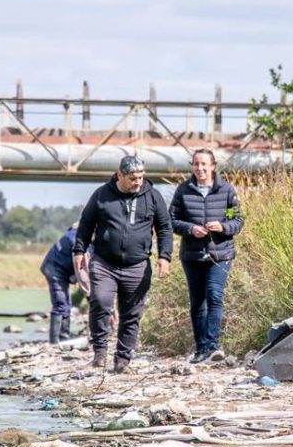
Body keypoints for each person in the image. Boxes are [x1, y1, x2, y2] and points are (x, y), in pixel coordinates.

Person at [73, 155, 173, 373]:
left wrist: (164, 257)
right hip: (104, 262)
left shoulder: (153, 196)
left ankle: (122, 361)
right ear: (120, 175)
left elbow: (164, 228)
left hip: (137, 265)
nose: (138, 182)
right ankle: (100, 352)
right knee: (100, 301)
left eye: (141, 177)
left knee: (131, 314)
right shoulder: (101, 195)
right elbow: (86, 224)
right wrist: (79, 250)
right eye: (132, 178)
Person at [169, 148, 244, 364]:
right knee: (197, 302)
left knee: (214, 295)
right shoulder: (183, 190)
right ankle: (200, 349)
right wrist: (191, 229)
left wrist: (222, 226)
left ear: (213, 166)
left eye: (204, 164)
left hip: (220, 254)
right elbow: (172, 220)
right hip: (192, 255)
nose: (199, 168)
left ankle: (212, 347)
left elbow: (238, 221)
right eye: (196, 164)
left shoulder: (227, 191)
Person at [40, 224, 78, 344]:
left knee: (66, 302)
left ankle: (64, 336)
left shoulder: (75, 233)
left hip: (60, 269)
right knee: (60, 302)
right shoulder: (75, 239)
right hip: (54, 269)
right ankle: (54, 341)